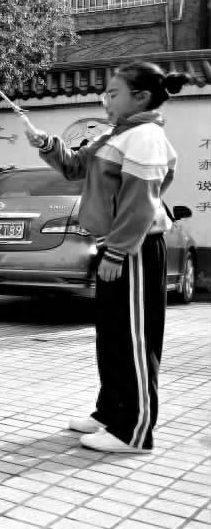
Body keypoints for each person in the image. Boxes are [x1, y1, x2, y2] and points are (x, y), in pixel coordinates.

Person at [27, 62, 189, 454]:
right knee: (112, 336)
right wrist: (47, 145)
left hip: (133, 248)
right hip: (115, 246)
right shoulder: (116, 134)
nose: (106, 100)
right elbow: (75, 167)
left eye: (114, 93)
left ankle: (133, 431)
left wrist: (118, 250)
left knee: (134, 339)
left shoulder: (146, 136)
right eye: (106, 93)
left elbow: (140, 201)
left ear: (141, 98)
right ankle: (110, 413)